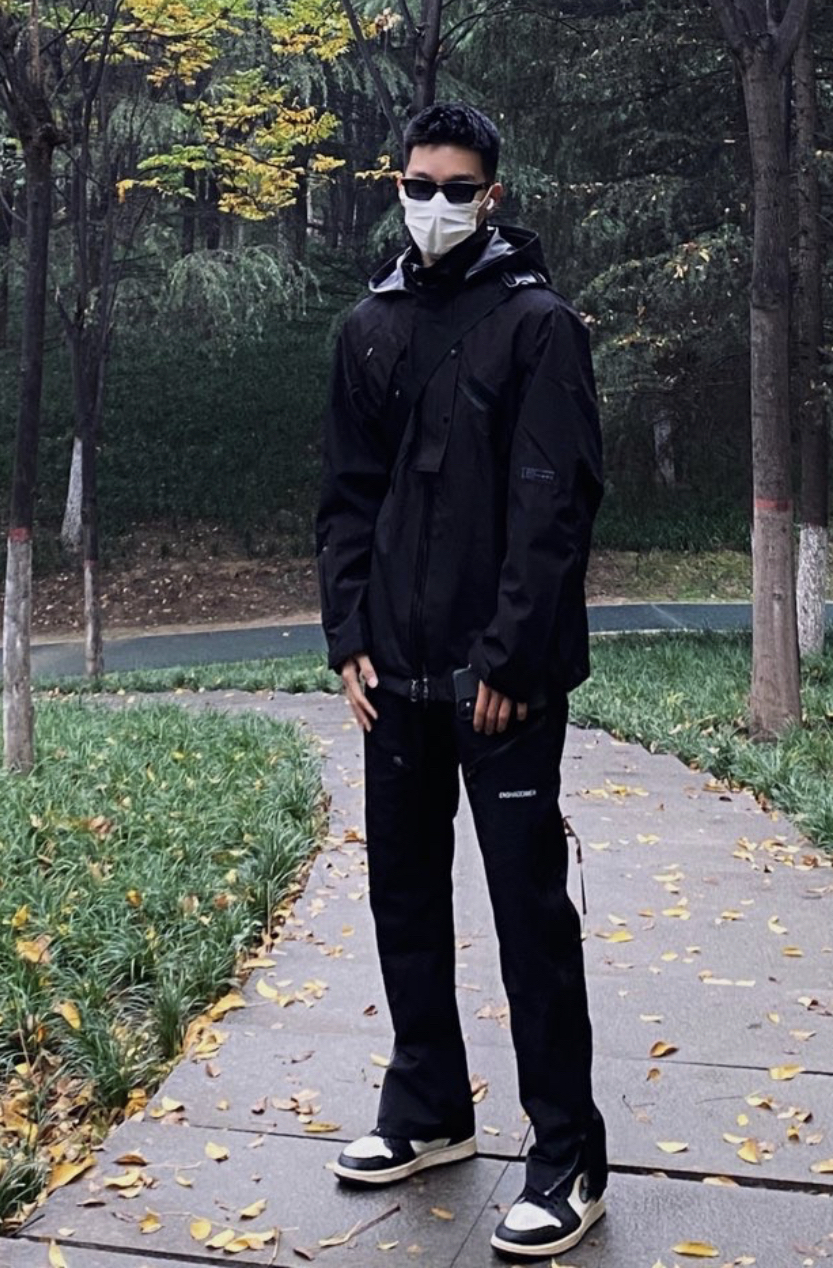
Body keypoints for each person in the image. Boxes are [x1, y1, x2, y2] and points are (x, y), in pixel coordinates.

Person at [314, 101, 608, 1259]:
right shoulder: (367, 328)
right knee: (403, 899)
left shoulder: (540, 327)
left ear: (493, 194)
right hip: (393, 680)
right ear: (396, 184)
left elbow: (554, 505)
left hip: (503, 689)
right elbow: (346, 498)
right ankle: (428, 1107)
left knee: (530, 917)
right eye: (418, 184)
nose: (435, 205)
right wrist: (348, 637)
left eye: (457, 187)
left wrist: (513, 660)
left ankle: (568, 1156)